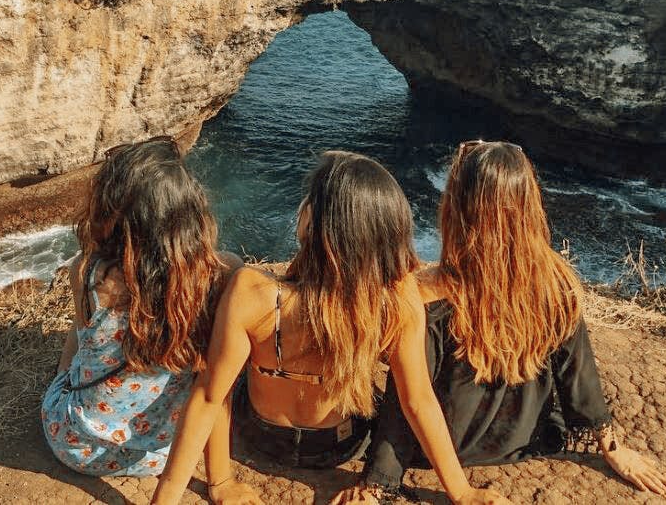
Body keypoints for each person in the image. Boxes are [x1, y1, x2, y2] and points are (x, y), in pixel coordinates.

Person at [151, 151, 512, 505]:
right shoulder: (397, 299)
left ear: (316, 222)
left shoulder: (250, 290)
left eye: (310, 199)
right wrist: (462, 492)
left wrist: (218, 484)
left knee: (220, 373)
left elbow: (211, 397)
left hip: (261, 438)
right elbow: (418, 402)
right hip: (339, 446)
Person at [342, 140, 666, 500]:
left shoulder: (423, 294)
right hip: (526, 437)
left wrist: (377, 483)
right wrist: (612, 448)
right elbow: (578, 375)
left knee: (402, 372)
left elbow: (409, 400)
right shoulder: (555, 282)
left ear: (457, 207)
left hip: (445, 445)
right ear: (528, 206)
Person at [41, 136, 257, 504]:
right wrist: (220, 481)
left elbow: (81, 342)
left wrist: (63, 381)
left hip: (74, 445)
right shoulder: (223, 276)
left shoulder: (88, 272)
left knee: (81, 345)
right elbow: (213, 388)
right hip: (161, 451)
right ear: (189, 213)